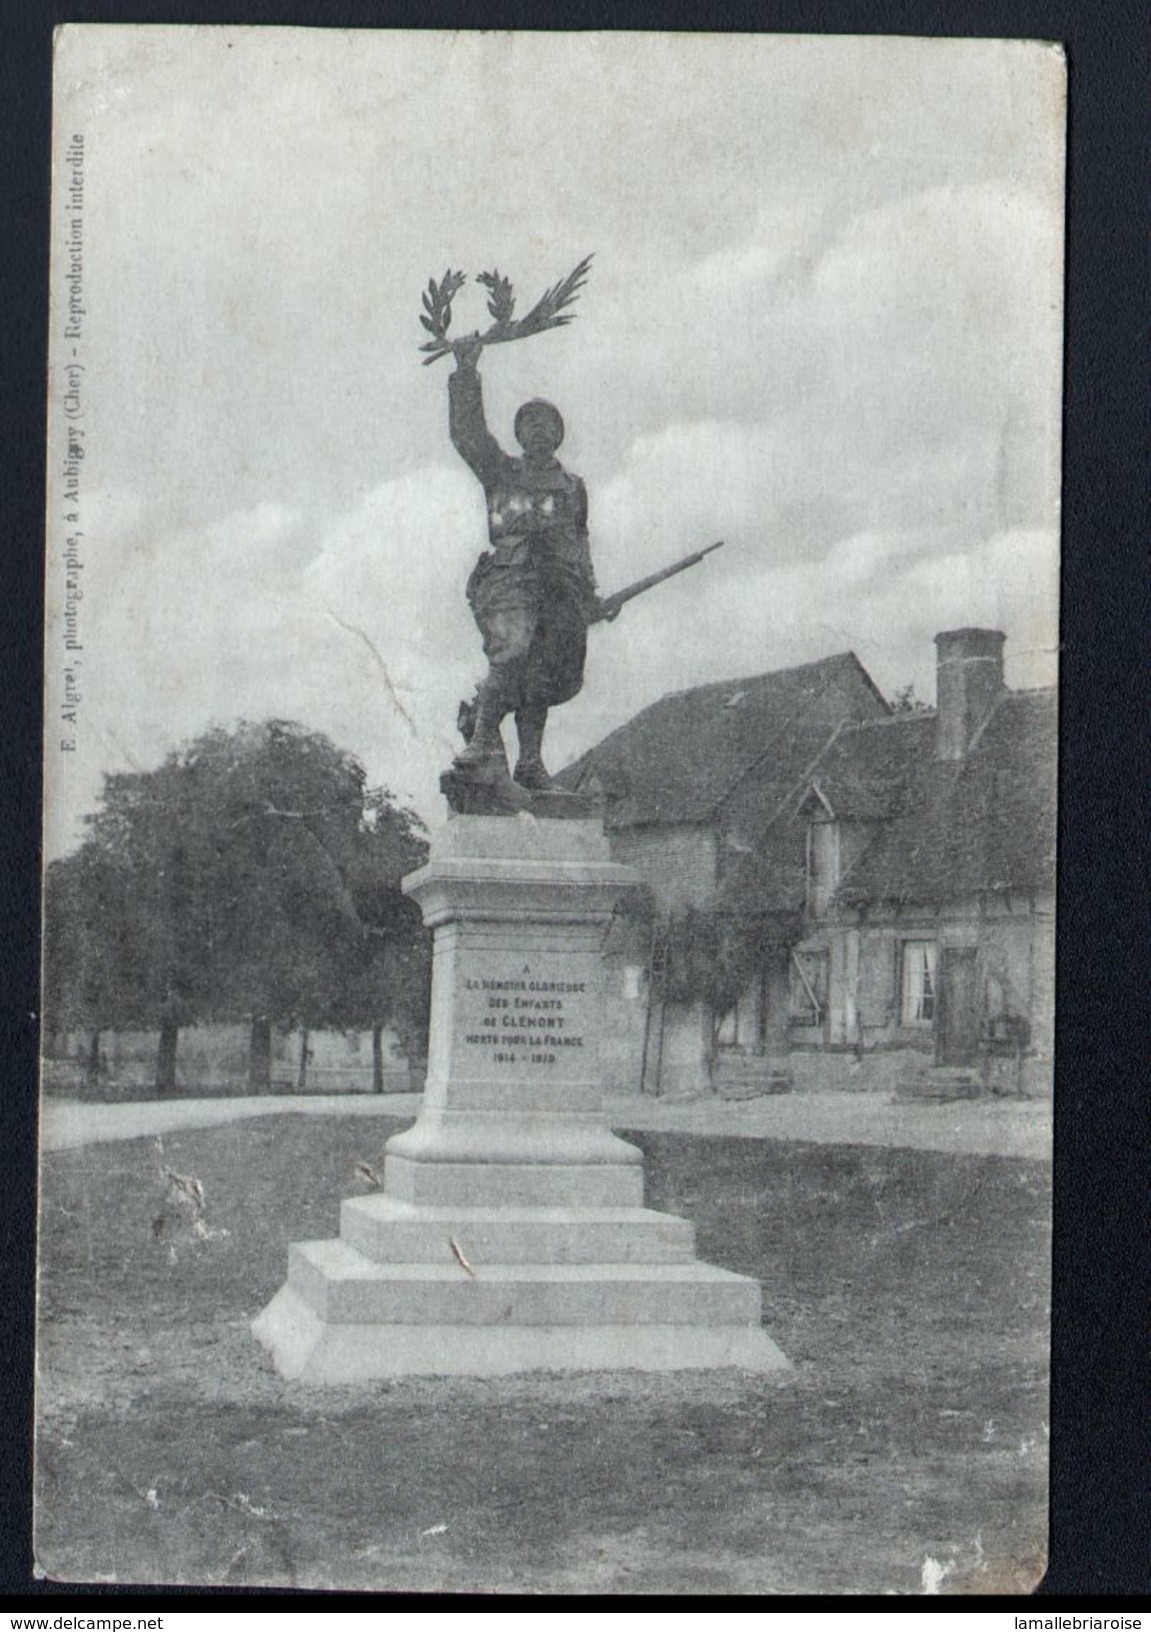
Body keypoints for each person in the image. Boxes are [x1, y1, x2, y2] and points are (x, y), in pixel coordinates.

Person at [447, 335, 600, 791]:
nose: (536, 429)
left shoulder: (573, 486)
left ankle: (530, 761)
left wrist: (592, 596)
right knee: (510, 655)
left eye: (545, 423)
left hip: (561, 589)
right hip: (511, 580)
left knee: (543, 671)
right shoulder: (502, 472)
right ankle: (479, 741)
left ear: (558, 434)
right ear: (517, 434)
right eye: (527, 422)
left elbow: (580, 540)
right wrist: (466, 374)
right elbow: (468, 435)